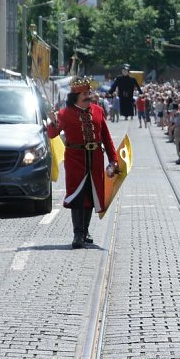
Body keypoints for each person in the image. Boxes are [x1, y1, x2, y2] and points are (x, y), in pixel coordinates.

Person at [47, 77, 119, 249]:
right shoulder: (64, 114)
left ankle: (85, 231)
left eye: (90, 93)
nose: (90, 96)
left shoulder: (98, 110)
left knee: (91, 196)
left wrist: (113, 159)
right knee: (77, 196)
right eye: (86, 93)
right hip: (75, 160)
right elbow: (52, 134)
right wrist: (52, 120)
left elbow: (106, 138)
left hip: (95, 159)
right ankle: (77, 234)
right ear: (76, 96)